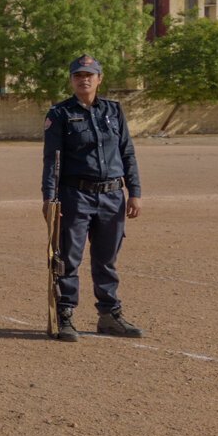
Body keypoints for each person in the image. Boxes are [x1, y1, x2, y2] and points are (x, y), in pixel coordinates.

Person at [43, 55, 143, 341]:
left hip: (112, 196)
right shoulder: (59, 114)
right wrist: (50, 199)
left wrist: (134, 192)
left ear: (100, 78)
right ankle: (64, 315)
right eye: (78, 75)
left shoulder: (113, 110)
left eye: (89, 75)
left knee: (106, 259)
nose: (83, 79)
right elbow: (52, 161)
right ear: (71, 80)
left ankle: (109, 315)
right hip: (75, 196)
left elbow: (127, 153)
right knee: (69, 259)